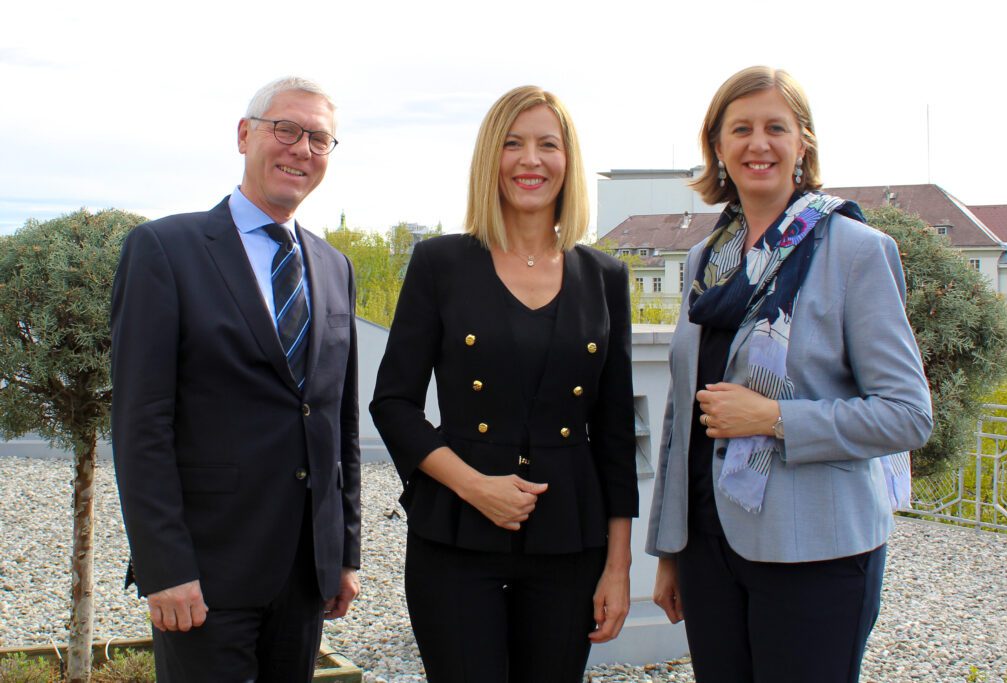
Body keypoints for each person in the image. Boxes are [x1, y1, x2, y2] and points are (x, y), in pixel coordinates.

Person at [646, 66, 933, 683]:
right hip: (709, 547)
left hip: (817, 553)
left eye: (776, 127)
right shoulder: (708, 259)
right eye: (740, 129)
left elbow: (909, 413)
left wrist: (774, 418)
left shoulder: (856, 250)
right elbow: (684, 415)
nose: (758, 144)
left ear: (803, 143)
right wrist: (672, 549)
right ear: (717, 147)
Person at [370, 85, 639, 682]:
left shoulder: (605, 277)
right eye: (512, 144)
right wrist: (475, 487)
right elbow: (392, 404)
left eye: (548, 144)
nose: (530, 160)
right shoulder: (441, 263)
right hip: (455, 537)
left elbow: (617, 434)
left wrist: (618, 568)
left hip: (570, 544)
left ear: (568, 162)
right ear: (490, 159)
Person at [111, 76, 361, 682]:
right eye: (286, 130)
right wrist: (164, 566)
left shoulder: (333, 267)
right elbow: (141, 424)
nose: (301, 148)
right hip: (206, 572)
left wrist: (343, 553)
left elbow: (338, 422)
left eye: (319, 139)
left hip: (305, 574)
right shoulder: (164, 250)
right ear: (245, 135)